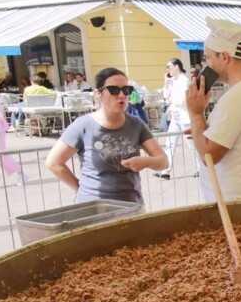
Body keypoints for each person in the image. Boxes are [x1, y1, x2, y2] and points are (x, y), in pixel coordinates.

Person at [185, 18, 241, 203]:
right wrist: (203, 130)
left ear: (225, 57)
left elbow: (208, 156)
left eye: (208, 57)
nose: (206, 65)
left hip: (237, 206)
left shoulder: (236, 98)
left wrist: (196, 114)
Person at [45, 67, 167, 204]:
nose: (121, 95)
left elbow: (163, 161)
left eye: (126, 90)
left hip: (131, 204)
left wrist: (147, 162)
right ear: (98, 93)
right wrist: (81, 189)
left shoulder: (136, 124)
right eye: (114, 90)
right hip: (95, 208)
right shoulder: (83, 125)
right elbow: (54, 163)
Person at [156, 58, 191, 179]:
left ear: (177, 67)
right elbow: (166, 95)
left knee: (192, 145)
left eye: (169, 67)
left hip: (184, 116)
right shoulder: (173, 81)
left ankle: (202, 168)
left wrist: (171, 100)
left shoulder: (184, 80)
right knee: (170, 143)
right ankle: (166, 170)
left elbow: (182, 100)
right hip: (175, 116)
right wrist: (166, 82)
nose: (168, 70)